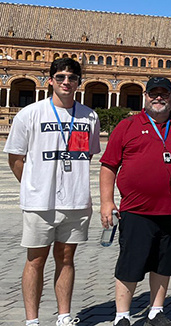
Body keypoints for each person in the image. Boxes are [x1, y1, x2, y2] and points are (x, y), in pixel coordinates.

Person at [99, 77, 171, 326]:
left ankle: (156, 311)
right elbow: (108, 166)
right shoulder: (128, 126)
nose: (159, 98)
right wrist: (106, 202)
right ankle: (122, 316)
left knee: (164, 262)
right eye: (154, 94)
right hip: (137, 211)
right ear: (145, 96)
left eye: (164, 94)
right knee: (131, 263)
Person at [4, 58, 101, 326]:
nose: (66, 82)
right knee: (35, 259)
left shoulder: (89, 117)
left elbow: (87, 155)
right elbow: (15, 157)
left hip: (75, 200)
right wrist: (33, 185)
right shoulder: (30, 114)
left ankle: (64, 315)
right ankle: (32, 320)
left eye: (72, 77)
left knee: (67, 258)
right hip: (39, 201)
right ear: (50, 81)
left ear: (79, 82)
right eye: (60, 77)